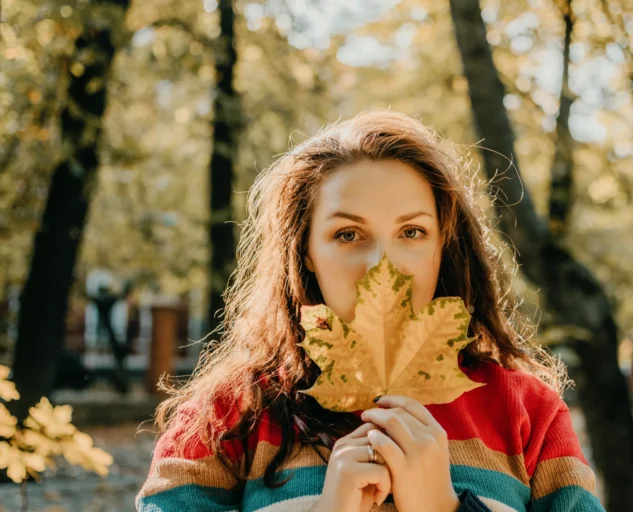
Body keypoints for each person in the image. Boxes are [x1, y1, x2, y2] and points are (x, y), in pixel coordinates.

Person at [136, 110, 605, 512]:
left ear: (444, 246)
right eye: (347, 234)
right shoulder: (228, 415)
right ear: (305, 253)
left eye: (412, 232)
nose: (383, 265)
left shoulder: (527, 412)